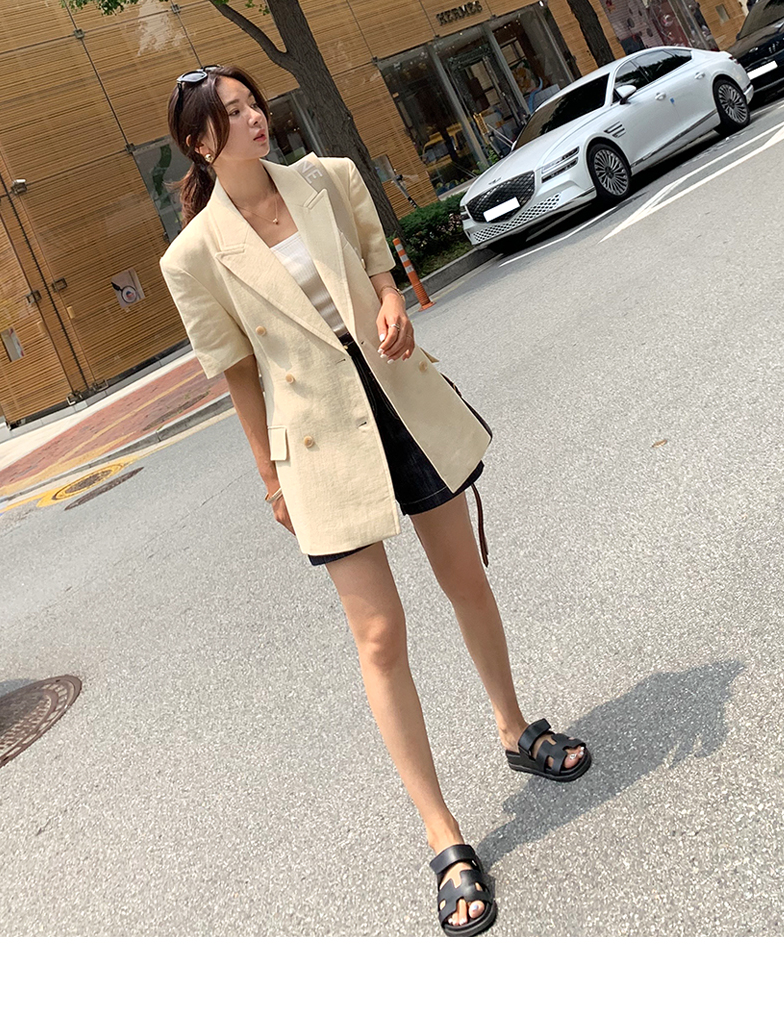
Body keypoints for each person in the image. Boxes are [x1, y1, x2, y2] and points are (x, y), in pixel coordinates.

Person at [161, 65, 591, 936]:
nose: (255, 118)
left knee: (465, 579)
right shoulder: (193, 256)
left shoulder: (327, 178)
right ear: (200, 143)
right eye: (232, 113)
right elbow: (236, 373)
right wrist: (269, 478)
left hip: (398, 397)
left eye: (253, 103)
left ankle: (515, 729)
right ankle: (443, 835)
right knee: (380, 636)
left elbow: (377, 266)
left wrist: (394, 302)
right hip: (317, 440)